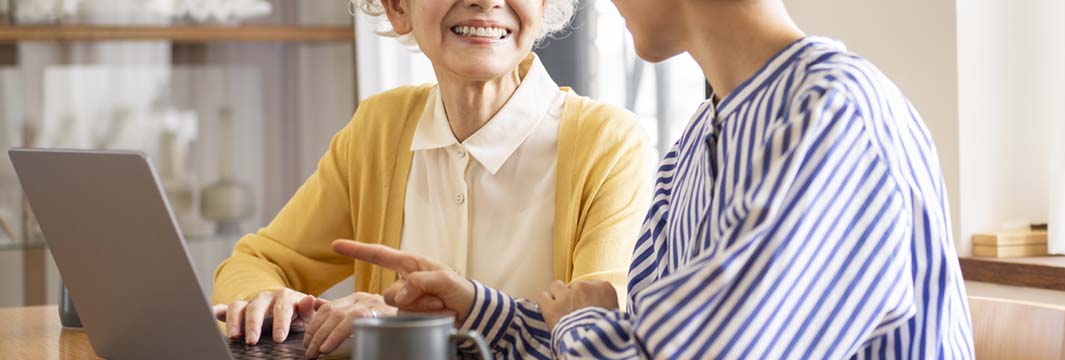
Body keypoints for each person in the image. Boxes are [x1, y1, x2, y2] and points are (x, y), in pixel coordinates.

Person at [336, 0, 975, 358]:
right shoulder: (701, 134)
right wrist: (478, 309)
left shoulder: (833, 115)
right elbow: (640, 340)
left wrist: (577, 325)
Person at [209, 0, 653, 357]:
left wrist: (407, 325)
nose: (485, 2)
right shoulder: (379, 128)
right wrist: (266, 300)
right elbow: (256, 262)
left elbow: (597, 325)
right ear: (398, 9)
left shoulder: (607, 141)